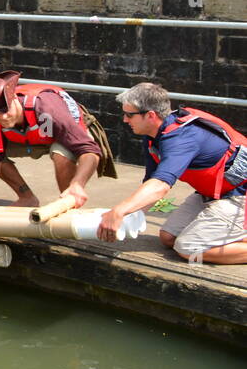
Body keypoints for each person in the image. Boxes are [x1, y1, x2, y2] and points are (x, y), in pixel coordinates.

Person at [99, 82, 247, 263]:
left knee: (188, 248)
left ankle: (236, 232)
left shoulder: (181, 138)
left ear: (150, 115)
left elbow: (161, 186)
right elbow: (151, 183)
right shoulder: (153, 135)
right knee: (168, 237)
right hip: (212, 193)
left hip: (239, 195)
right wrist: (129, 214)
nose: (124, 120)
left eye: (129, 115)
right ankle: (233, 234)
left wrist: (119, 211)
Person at [0, 70, 109, 209]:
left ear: (15, 98)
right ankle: (27, 198)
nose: (3, 117)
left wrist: (78, 184)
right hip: (31, 138)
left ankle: (69, 202)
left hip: (64, 135)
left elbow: (89, 151)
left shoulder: (47, 110)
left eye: (6, 109)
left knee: (61, 153)